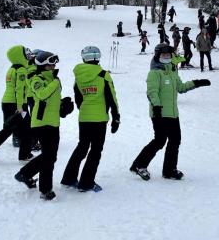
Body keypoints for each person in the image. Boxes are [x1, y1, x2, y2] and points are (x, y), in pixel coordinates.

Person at [129, 43, 211, 181]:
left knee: (175, 140)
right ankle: (139, 165)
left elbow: (181, 87)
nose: (167, 57)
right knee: (160, 141)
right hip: (159, 113)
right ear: (158, 56)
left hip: (173, 113)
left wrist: (197, 83)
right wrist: (156, 106)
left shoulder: (173, 71)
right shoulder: (154, 73)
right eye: (164, 55)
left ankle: (169, 170)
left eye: (168, 54)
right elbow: (152, 91)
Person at [14, 50, 74, 200]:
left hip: (53, 122)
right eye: (50, 63)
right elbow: (41, 94)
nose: (53, 66)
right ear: (43, 64)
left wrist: (62, 106)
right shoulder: (35, 78)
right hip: (41, 123)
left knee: (51, 156)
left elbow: (50, 100)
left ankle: (25, 174)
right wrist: (55, 82)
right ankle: (45, 190)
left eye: (54, 63)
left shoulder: (53, 79)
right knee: (48, 158)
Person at [60, 46, 120, 192]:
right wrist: (116, 117)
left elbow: (78, 98)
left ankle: (69, 178)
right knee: (95, 150)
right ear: (97, 57)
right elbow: (112, 97)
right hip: (99, 118)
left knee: (82, 147)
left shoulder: (79, 76)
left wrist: (86, 109)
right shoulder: (103, 74)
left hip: (85, 117)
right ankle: (86, 183)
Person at [0, 45, 35, 149]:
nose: (28, 57)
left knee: (9, 127)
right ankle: (29, 147)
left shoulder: (11, 69)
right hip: (16, 103)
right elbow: (20, 89)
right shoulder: (21, 70)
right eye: (26, 54)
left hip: (6, 102)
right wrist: (20, 106)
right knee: (26, 125)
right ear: (20, 56)